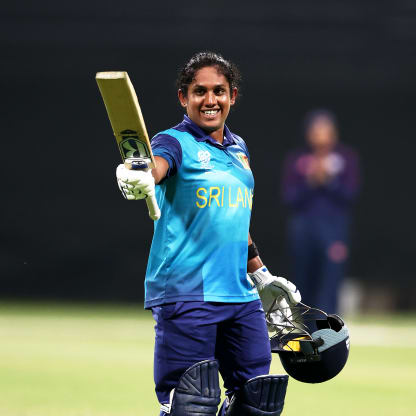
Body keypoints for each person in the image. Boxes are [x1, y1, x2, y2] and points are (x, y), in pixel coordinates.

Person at [115, 52, 301, 416]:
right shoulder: (173, 142)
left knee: (257, 402)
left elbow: (233, 218)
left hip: (239, 295)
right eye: (200, 91)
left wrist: (260, 273)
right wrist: (139, 175)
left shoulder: (239, 149)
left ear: (232, 95)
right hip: (187, 294)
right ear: (184, 97)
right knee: (190, 405)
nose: (210, 100)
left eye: (219, 91)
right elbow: (154, 165)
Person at [281, 109, 360, 314]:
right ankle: (304, 321)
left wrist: (329, 180)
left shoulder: (346, 158)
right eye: (316, 130)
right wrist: (311, 180)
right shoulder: (298, 160)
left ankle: (329, 322)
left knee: (330, 275)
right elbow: (289, 197)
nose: (320, 135)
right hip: (304, 226)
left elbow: (350, 194)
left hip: (334, 227)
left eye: (325, 130)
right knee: (303, 275)